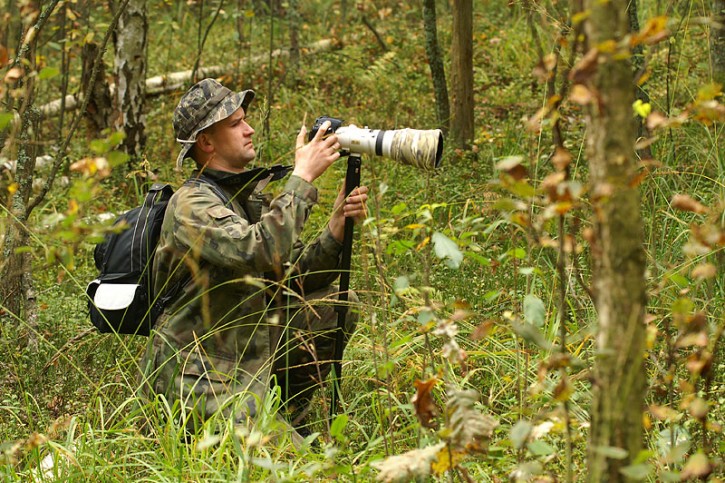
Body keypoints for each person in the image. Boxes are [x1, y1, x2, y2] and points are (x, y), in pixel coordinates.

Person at [140, 78, 368, 439]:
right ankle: (263, 430)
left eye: (245, 120)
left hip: (243, 354)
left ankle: (288, 414)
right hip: (197, 374)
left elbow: (292, 280)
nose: (248, 130)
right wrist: (303, 177)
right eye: (235, 124)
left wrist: (337, 226)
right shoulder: (191, 205)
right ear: (206, 142)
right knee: (298, 470)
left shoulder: (242, 200)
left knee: (336, 305)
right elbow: (256, 249)